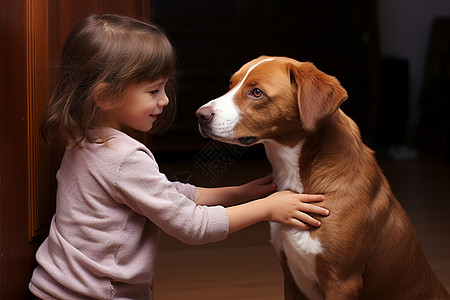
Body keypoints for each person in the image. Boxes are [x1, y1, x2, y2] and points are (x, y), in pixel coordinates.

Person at [29, 14, 329, 300]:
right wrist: (266, 208)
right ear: (106, 96)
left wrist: (239, 192)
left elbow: (165, 193)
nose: (165, 99)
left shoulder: (85, 140)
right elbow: (191, 226)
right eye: (154, 90)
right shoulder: (123, 158)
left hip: (56, 288)